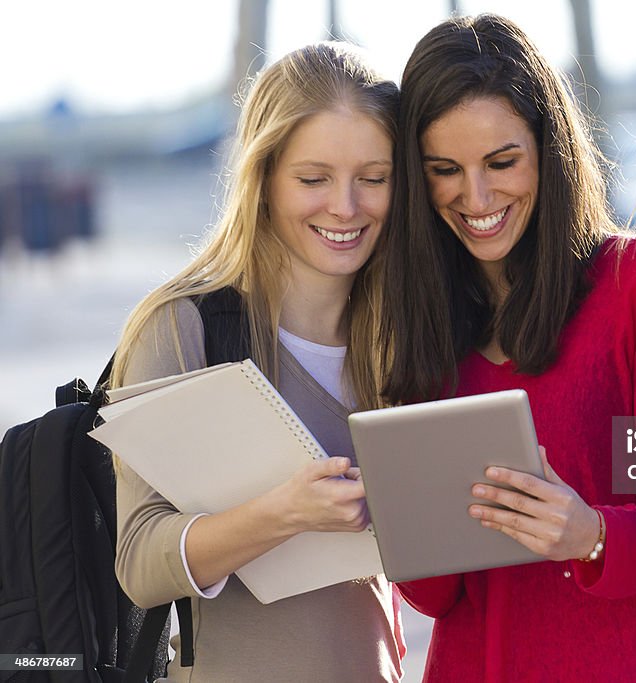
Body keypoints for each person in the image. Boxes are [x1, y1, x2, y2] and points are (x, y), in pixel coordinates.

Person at [378, 13, 636, 682]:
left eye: (502, 162)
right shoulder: (425, 327)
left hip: (632, 661)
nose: (476, 197)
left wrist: (589, 534)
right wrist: (398, 516)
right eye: (444, 170)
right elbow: (435, 594)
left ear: (548, 147)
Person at [111, 42, 404, 682]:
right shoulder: (185, 327)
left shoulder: (402, 337)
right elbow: (139, 563)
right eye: (313, 179)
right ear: (263, 179)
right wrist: (283, 515)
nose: (346, 207)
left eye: (373, 179)